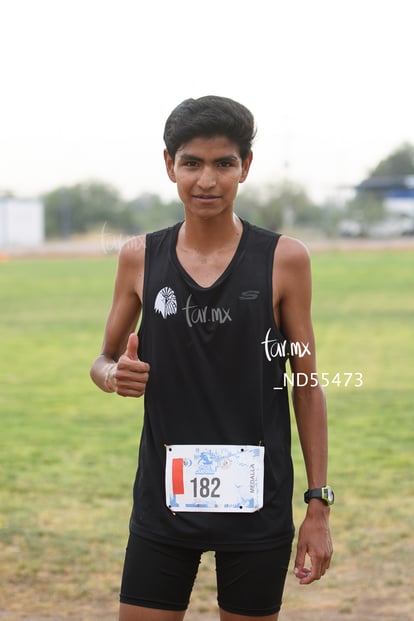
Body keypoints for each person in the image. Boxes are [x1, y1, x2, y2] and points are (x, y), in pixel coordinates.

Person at [90, 95, 333, 621]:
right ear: (169, 165)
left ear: (245, 167)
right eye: (192, 163)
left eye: (224, 163)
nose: (207, 180)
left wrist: (318, 503)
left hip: (257, 503)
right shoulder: (139, 256)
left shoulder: (284, 259)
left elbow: (307, 385)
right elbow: (104, 359)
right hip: (164, 500)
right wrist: (115, 377)